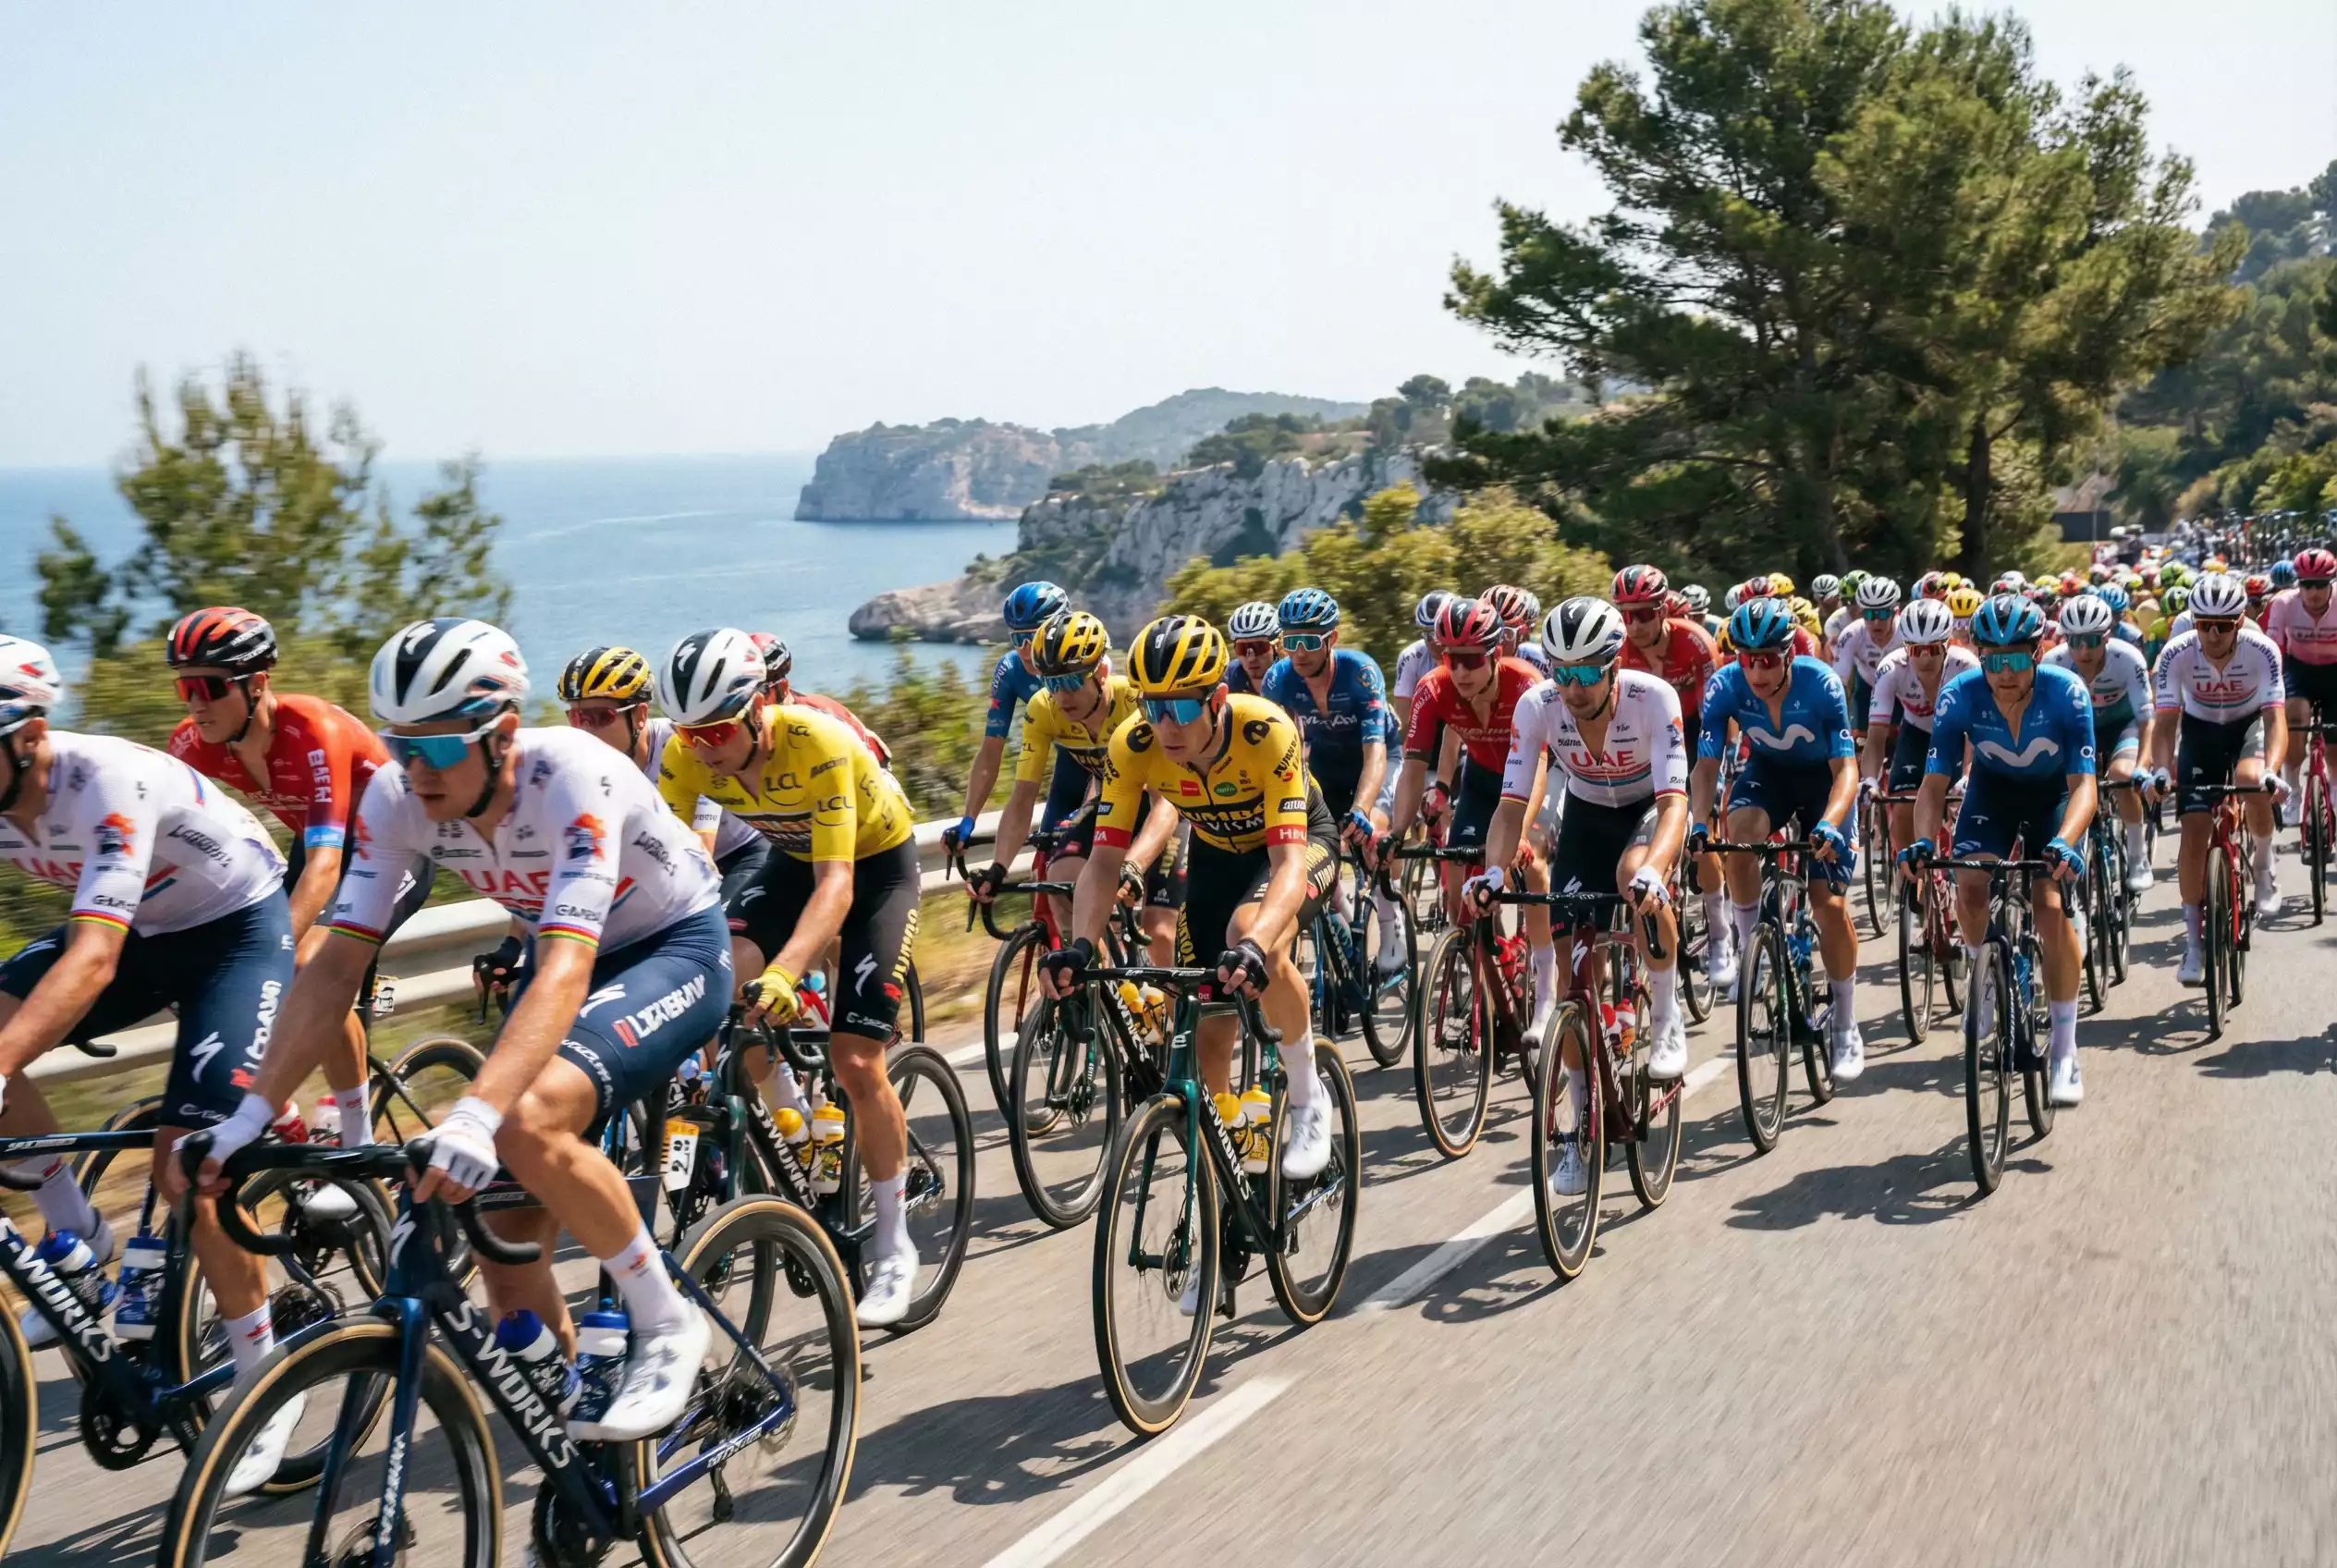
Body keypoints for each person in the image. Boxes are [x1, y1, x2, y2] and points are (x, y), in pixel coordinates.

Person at [184, 618, 727, 1452]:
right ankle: (578, 1439)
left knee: (522, 1116)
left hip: (669, 945)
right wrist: (252, 1114)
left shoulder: (574, 775)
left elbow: (565, 969)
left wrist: (477, 1113)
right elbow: (332, 970)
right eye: (401, 746)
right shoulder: (396, 799)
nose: (413, 771)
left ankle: (665, 1319)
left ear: (503, 734)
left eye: (437, 751)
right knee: (507, 1260)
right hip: (566, 958)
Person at [0, 636, 305, 1489]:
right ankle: (76, 1242)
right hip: (146, 934)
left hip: (233, 935)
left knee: (189, 1165)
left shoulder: (104, 782)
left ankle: (263, 1377)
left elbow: (93, 960)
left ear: (25, 738)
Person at [652, 629, 926, 1326]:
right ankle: (794, 1127)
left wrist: (786, 972)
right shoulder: (688, 756)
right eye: (690, 732)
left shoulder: (818, 742)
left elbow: (837, 886)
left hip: (876, 869)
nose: (704, 746)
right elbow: (665, 874)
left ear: (754, 710)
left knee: (856, 1058)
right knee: (719, 1000)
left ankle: (894, 1246)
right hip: (790, 860)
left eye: (717, 728)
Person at [1036, 616, 1342, 1221]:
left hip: (1297, 846)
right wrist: (1078, 946)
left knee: (1248, 935)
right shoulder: (1136, 743)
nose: (1166, 724)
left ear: (1217, 699)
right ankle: (1227, 1190)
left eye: (1181, 707)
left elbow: (1285, 863)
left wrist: (1257, 944)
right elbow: (1102, 862)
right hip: (1216, 856)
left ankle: (1309, 1096)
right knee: (1203, 1029)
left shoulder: (1265, 730)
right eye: (1154, 706)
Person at [164, 607, 431, 1148]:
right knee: (194, 974)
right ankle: (279, 1112)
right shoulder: (193, 744)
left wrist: (271, 953)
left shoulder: (313, 729)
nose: (196, 704)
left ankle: (358, 1139)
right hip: (313, 843)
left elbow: (328, 864)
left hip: (395, 846)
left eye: (209, 688)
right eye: (185, 688)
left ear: (257, 683)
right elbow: (166, 840)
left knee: (309, 963)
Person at [1472, 598, 1691, 1194]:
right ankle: (1577, 1123)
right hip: (1590, 815)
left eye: (1586, 673)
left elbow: (1675, 802)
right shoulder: (1536, 706)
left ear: (1613, 664)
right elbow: (1513, 804)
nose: (1571, 687)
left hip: (1648, 811)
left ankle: (1667, 1019)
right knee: (1574, 970)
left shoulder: (1654, 699)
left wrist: (1657, 870)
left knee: (1633, 877)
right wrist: (1494, 875)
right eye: (1560, 671)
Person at [1905, 594, 2096, 1107]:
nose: (2004, 672)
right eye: (1994, 659)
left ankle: (2064, 1048)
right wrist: (1923, 841)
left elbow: (2085, 787)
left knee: (2050, 908)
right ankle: (1982, 975)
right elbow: (1933, 785)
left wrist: (2067, 841)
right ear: (1980, 655)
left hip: (2052, 796)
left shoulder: (2067, 692)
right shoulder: (1959, 694)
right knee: (1968, 887)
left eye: (2016, 659)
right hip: (1992, 792)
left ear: (2037, 654)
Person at [1689, 598, 1866, 1079]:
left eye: (1767, 659)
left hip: (1822, 786)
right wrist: (1698, 823)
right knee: (1738, 837)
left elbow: (1846, 769)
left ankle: (1846, 1021)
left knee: (1827, 903)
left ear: (1789, 655)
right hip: (1769, 774)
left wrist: (1830, 821)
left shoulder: (1822, 684)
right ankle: (1751, 949)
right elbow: (1705, 766)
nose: (1757, 671)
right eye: (1747, 659)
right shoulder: (1725, 685)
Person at [1385, 597, 1559, 1030]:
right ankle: (1491, 957)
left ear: (1496, 653)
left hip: (1542, 773)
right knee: (1459, 873)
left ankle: (1547, 982)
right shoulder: (1433, 688)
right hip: (1484, 777)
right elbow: (1410, 770)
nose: (1459, 671)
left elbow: (1535, 767)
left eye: (1470, 660)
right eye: (1450, 659)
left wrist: (1519, 831)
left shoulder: (1525, 684)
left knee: (1532, 858)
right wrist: (1397, 833)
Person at [971, 609, 1181, 952]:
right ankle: (1105, 992)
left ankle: (1164, 1000)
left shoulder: (1135, 703)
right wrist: (998, 868)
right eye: (1052, 683)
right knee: (1061, 881)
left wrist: (1134, 864)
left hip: (1171, 807)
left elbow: (1165, 802)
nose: (1062, 696)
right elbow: (1023, 797)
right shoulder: (1044, 710)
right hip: (1116, 804)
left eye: (1070, 682)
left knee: (1158, 929)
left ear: (1100, 673)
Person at [2148, 572, 2289, 975]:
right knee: (2193, 833)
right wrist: (2161, 768)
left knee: (2251, 780)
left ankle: (2263, 865)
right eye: (2203, 624)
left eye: (2223, 626)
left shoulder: (2262, 650)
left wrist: (2273, 772)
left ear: (2240, 622)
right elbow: (2164, 724)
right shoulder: (2177, 654)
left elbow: (2276, 720)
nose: (2212, 634)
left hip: (2247, 726)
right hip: (2200, 731)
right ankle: (2193, 945)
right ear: (2193, 623)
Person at [1259, 589, 1401, 969]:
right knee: (1311, 844)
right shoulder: (1278, 679)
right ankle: (1337, 909)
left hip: (1373, 759)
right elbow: (1277, 752)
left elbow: (1375, 753)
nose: (1299, 652)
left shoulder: (1361, 672)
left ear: (1332, 639)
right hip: (1323, 765)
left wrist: (1361, 808)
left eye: (1309, 641)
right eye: (1290, 642)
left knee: (1374, 833)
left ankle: (1391, 927)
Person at [1613, 565, 1722, 968]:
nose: (1633, 625)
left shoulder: (1695, 641)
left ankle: (1719, 928)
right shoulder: (1620, 649)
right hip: (1646, 736)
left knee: (1701, 829)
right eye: (1625, 615)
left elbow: (1714, 715)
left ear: (1662, 611)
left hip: (1695, 729)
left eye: (1642, 614)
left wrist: (1708, 774)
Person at [941, 581, 1084, 864]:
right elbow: (991, 751)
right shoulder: (1011, 670)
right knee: (1043, 874)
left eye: (1034, 636)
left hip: (1113, 775)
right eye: (1017, 639)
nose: (1025, 649)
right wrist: (969, 818)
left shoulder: (1086, 664)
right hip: (1069, 769)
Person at [2041, 596, 2155, 890]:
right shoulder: (2053, 662)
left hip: (2121, 726)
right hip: (2079, 730)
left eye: (2092, 640)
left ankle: (2137, 854)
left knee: (2121, 776)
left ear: (2107, 636)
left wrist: (2142, 766)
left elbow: (2146, 719)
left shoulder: (2128, 658)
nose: (2082, 650)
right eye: (2074, 640)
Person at [1859, 600, 1977, 876]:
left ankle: (1952, 871)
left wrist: (1969, 773)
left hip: (1958, 736)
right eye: (1916, 649)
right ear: (1905, 646)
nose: (1924, 658)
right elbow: (1876, 736)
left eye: (1933, 649)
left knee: (1959, 803)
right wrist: (1869, 779)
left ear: (1947, 643)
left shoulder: (1967, 666)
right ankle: (1914, 879)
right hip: (1915, 733)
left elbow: (1975, 733)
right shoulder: (1892, 668)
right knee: (1901, 810)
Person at [2267, 548, 2337, 826]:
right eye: (2306, 584)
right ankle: (2293, 790)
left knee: (2334, 745)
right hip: (2299, 670)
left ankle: (2334, 787)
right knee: (2295, 718)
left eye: (2320, 584)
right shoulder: (2283, 604)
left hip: (2335, 672)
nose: (2313, 592)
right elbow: (2273, 651)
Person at [1831, 576, 1903, 745]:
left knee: (1901, 742)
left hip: (1902, 689)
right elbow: (1838, 682)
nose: (1876, 622)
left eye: (1884, 614)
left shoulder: (1906, 632)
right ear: (1860, 613)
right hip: (1866, 688)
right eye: (1870, 614)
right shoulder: (1852, 634)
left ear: (1896, 612)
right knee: (1860, 743)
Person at [1225, 601, 1280, 695]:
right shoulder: (1231, 676)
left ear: (1276, 646)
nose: (1251, 658)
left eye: (1259, 647)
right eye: (1242, 648)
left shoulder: (1295, 673)